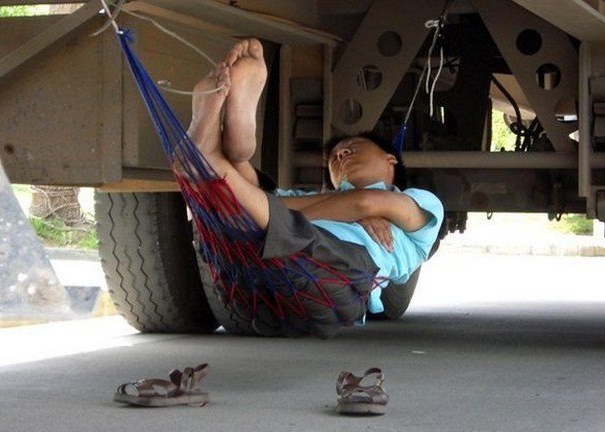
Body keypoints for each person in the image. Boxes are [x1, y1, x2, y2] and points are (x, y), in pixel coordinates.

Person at [186, 39, 443, 337]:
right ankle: (237, 146)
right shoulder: (316, 198)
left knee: (249, 209)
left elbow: (366, 202)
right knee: (242, 201)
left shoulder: (421, 202)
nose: (341, 154)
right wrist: (280, 214)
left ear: (390, 159)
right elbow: (258, 198)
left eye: (352, 147)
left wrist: (284, 219)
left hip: (339, 275)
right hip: (257, 280)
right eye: (334, 156)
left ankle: (208, 159)